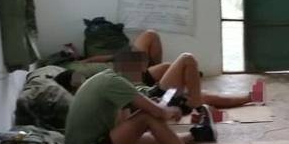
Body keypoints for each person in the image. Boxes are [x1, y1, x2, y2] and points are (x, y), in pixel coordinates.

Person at [63, 67, 235, 144]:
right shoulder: (113, 82)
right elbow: (158, 113)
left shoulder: (105, 82)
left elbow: (123, 126)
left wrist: (153, 107)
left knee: (150, 136)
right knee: (147, 117)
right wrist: (171, 109)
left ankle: (199, 133)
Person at [84, 29, 260, 110]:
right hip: (150, 92)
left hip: (140, 80)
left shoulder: (101, 76)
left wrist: (89, 60)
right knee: (187, 62)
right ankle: (249, 97)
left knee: (151, 37)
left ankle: (189, 88)